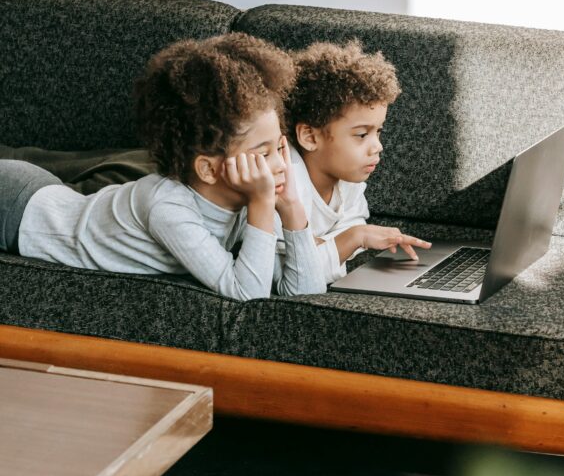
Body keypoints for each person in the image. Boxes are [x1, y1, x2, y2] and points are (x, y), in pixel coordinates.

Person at [0, 33, 326, 299]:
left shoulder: (246, 197)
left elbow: (304, 296)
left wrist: (293, 209)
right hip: (15, 209)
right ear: (209, 169)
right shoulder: (168, 207)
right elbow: (248, 295)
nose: (281, 164)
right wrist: (263, 205)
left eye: (279, 148)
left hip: (47, 193)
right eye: (263, 152)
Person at [282, 39, 431, 283]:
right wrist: (354, 238)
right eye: (362, 135)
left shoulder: (347, 178)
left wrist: (324, 245)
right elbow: (296, 274)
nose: (378, 146)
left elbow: (352, 227)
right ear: (310, 136)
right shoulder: (285, 182)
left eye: (378, 131)